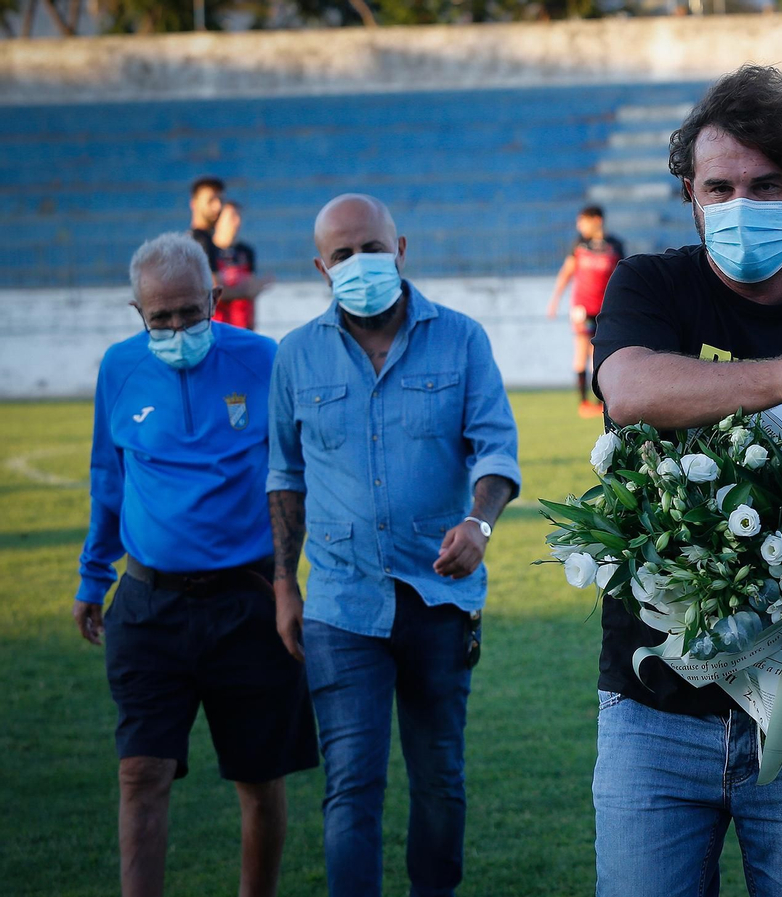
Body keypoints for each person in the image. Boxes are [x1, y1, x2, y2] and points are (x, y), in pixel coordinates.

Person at [589, 65, 782, 896]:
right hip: (651, 707)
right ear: (690, 196)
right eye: (719, 186)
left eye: (767, 184)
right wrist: (781, 377)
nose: (740, 205)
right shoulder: (651, 286)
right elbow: (627, 388)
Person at [266, 194, 521, 896]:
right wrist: (285, 582)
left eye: (371, 248)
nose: (359, 264)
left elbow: (496, 448)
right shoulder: (294, 356)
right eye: (342, 254)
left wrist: (480, 523)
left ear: (400, 249)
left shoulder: (462, 338)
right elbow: (285, 476)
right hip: (342, 603)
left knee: (440, 777)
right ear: (320, 265)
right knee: (351, 782)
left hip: (438, 598)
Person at [72, 232, 317, 897]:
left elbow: (293, 474)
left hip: (250, 604)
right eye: (161, 317)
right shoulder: (119, 369)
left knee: (259, 784)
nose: (177, 328)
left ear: (215, 297)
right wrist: (94, 575)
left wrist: (286, 581)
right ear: (137, 312)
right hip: (150, 605)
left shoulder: (264, 360)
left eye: (190, 311)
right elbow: (107, 476)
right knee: (139, 774)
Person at [547, 205, 625, 417]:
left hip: (606, 309)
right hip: (582, 309)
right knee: (582, 350)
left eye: (583, 221)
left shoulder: (615, 245)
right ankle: (584, 403)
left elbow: (622, 276)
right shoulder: (579, 245)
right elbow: (566, 273)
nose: (579, 226)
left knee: (601, 354)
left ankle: (602, 400)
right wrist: (555, 301)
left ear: (597, 220)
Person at [211, 201, 274, 331]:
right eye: (232, 217)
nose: (237, 222)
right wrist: (249, 289)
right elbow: (213, 291)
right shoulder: (209, 251)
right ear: (217, 220)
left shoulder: (246, 251)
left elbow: (251, 292)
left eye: (239, 217)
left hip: (244, 328)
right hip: (218, 329)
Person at [189, 176, 225, 272]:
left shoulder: (209, 241)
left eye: (221, 200)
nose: (218, 207)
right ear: (194, 203)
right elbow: (213, 285)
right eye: (210, 200)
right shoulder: (200, 243)